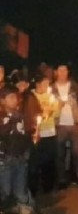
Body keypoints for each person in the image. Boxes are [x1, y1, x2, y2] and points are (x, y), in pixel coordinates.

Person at [53, 63, 78, 190]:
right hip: (59, 125)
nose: (62, 72)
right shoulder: (52, 89)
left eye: (65, 70)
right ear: (56, 72)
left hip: (74, 124)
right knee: (59, 153)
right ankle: (61, 179)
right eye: (60, 70)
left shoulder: (75, 87)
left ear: (68, 72)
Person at [0, 85, 34, 213]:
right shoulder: (2, 117)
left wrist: (27, 148)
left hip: (20, 158)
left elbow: (24, 134)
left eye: (16, 97)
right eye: (11, 97)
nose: (15, 100)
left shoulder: (19, 115)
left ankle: (24, 207)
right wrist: (10, 121)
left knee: (21, 189)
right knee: (5, 190)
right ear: (2, 100)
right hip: (4, 159)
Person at [31, 76, 60, 194]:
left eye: (48, 83)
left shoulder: (51, 97)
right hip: (37, 132)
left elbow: (57, 112)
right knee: (36, 159)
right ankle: (34, 187)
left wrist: (52, 111)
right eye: (45, 83)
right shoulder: (32, 96)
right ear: (38, 84)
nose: (47, 86)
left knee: (49, 160)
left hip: (50, 131)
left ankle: (48, 186)